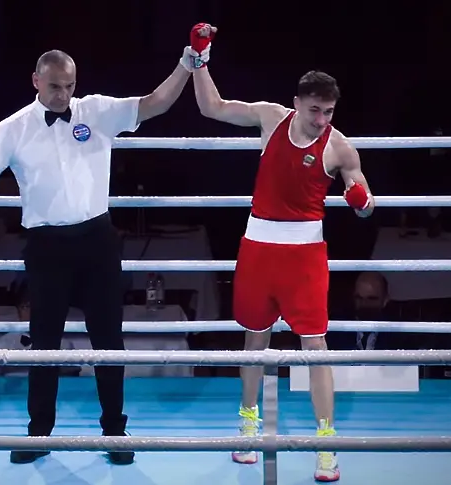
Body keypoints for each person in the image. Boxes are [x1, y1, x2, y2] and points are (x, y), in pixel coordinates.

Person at [0, 48, 200, 465]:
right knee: (45, 343)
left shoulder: (97, 111)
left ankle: (115, 431)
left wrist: (185, 65)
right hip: (46, 245)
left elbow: (154, 103)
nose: (63, 94)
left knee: (109, 341)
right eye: (55, 86)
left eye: (70, 86)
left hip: (97, 240)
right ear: (36, 80)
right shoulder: (11, 129)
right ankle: (38, 433)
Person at [188, 23, 374, 482]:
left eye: (328, 111)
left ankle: (325, 443)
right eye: (315, 110)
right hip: (258, 249)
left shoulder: (339, 146)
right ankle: (248, 425)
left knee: (316, 346)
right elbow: (212, 107)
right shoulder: (271, 118)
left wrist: (359, 199)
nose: (322, 120)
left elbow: (366, 202)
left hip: (304, 257)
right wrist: (199, 58)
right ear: (297, 102)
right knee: (255, 338)